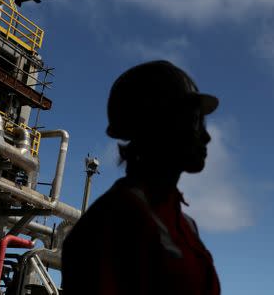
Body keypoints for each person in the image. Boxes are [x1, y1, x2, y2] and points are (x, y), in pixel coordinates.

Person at [62, 60, 221, 295]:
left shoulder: (186, 225)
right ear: (158, 124)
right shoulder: (114, 220)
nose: (206, 137)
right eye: (195, 121)